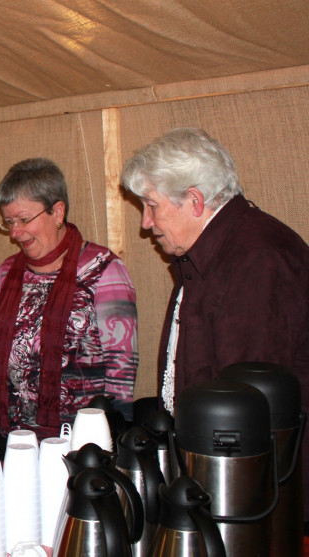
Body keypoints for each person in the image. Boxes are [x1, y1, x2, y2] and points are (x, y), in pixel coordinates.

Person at [121, 126, 309, 519]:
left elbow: (245, 409)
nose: (145, 223)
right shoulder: (209, 253)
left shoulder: (257, 260)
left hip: (254, 497)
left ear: (194, 200)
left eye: (152, 205)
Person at [0, 158, 138, 456]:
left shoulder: (103, 272)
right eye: (9, 222)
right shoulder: (6, 273)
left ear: (57, 211)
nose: (15, 233)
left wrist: (111, 438)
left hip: (77, 443)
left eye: (24, 219)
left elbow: (121, 371)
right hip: (5, 438)